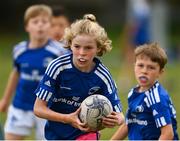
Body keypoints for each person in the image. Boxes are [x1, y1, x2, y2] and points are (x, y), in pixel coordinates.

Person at [33, 14, 125, 140]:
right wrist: (68, 119)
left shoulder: (103, 76)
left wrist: (115, 120)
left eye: (88, 48)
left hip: (86, 134)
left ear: (98, 48)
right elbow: (38, 109)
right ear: (70, 44)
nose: (82, 53)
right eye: (77, 47)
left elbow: (120, 115)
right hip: (56, 134)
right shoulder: (57, 67)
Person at [0, 4, 69, 140]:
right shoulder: (19, 50)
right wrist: (5, 100)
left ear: (49, 26)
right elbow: (15, 74)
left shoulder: (59, 52)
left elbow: (66, 78)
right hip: (20, 106)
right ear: (27, 26)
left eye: (44, 22)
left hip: (47, 108)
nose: (40, 26)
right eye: (35, 22)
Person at [111, 43, 179, 140]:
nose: (144, 71)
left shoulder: (157, 97)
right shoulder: (133, 93)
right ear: (134, 66)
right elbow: (128, 124)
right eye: (140, 65)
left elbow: (167, 134)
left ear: (160, 73)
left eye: (151, 67)